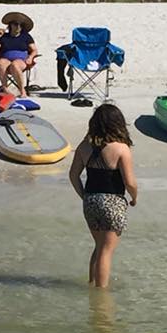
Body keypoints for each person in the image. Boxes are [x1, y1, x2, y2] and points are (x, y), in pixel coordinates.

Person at [68, 104, 138, 289]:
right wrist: (134, 198)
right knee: (106, 251)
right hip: (113, 202)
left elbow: (73, 175)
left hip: (90, 200)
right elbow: (130, 182)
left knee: (99, 246)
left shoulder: (84, 147)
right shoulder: (121, 149)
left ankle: (92, 283)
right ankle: (101, 297)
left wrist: (84, 195)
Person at [0, 11, 38, 97]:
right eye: (15, 24)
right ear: (10, 25)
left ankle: (22, 90)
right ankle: (5, 89)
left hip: (21, 60)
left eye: (20, 25)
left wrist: (30, 57)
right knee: (0, 63)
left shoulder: (26, 36)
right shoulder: (4, 37)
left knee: (15, 65)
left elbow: (34, 50)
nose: (18, 27)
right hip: (6, 59)